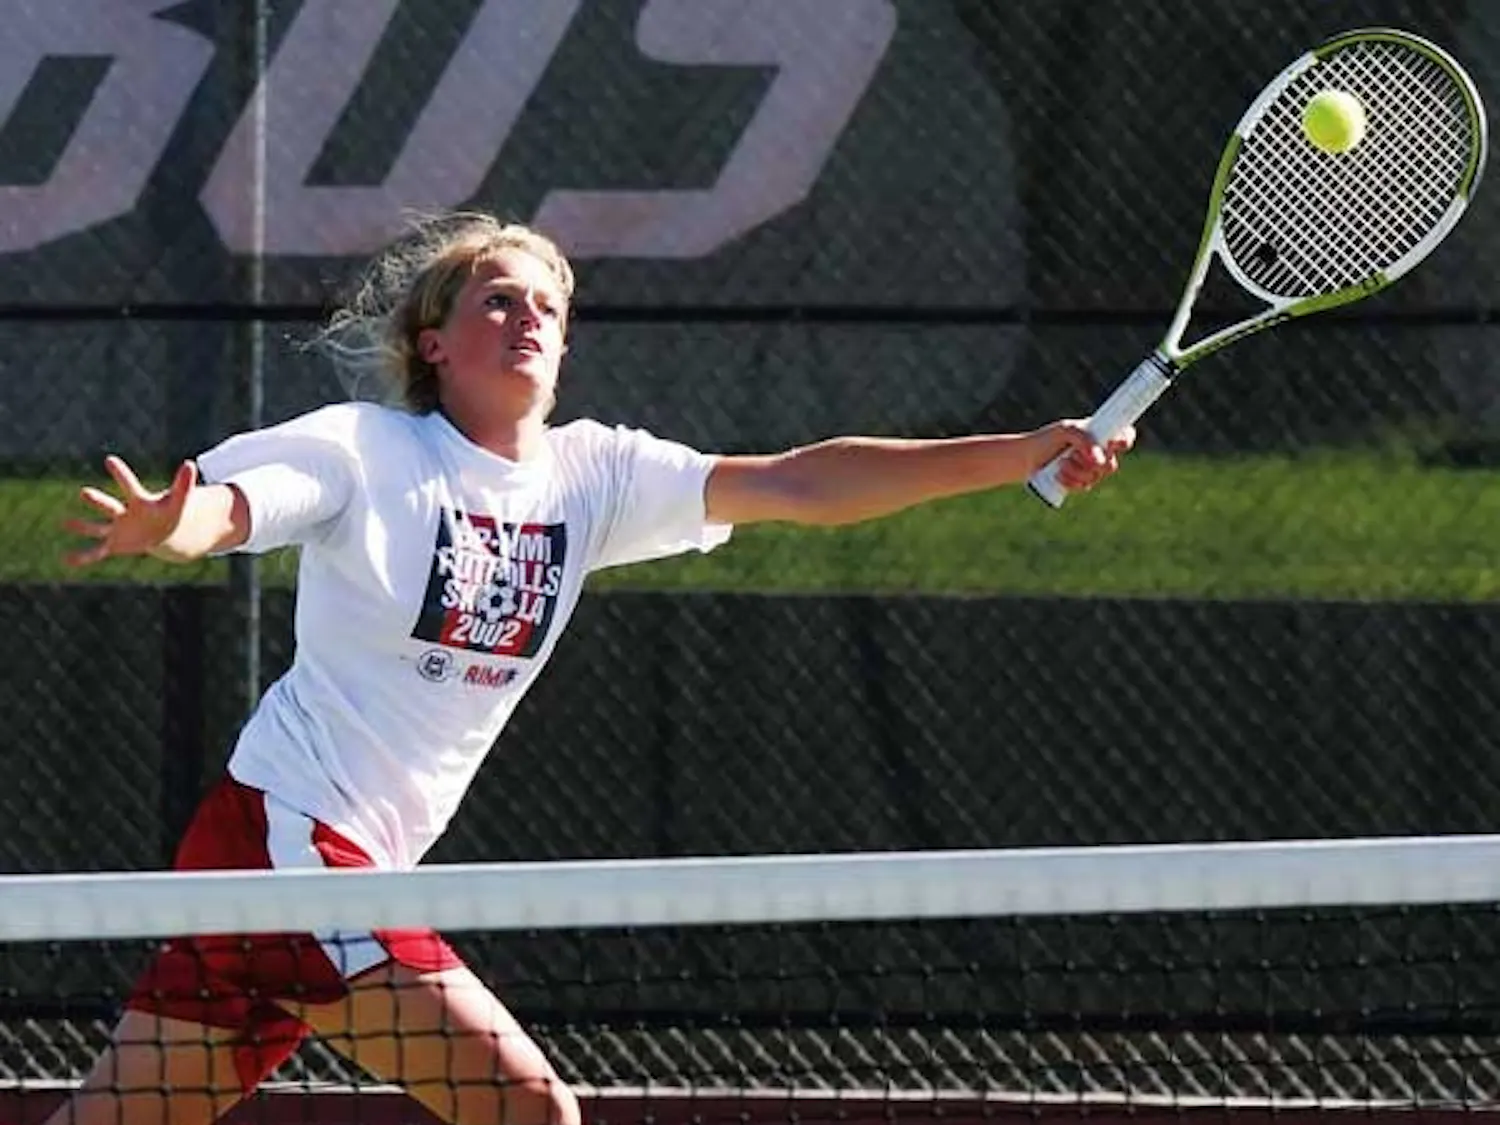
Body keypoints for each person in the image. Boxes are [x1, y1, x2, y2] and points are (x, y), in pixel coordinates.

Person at [59, 210, 1133, 1125]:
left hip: (308, 863)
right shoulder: (365, 450)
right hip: (287, 844)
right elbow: (238, 507)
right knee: (530, 1109)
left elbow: (800, 485)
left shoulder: (596, 477)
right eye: (495, 300)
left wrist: (1023, 451)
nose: (527, 317)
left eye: (547, 308)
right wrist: (175, 526)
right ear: (433, 343)